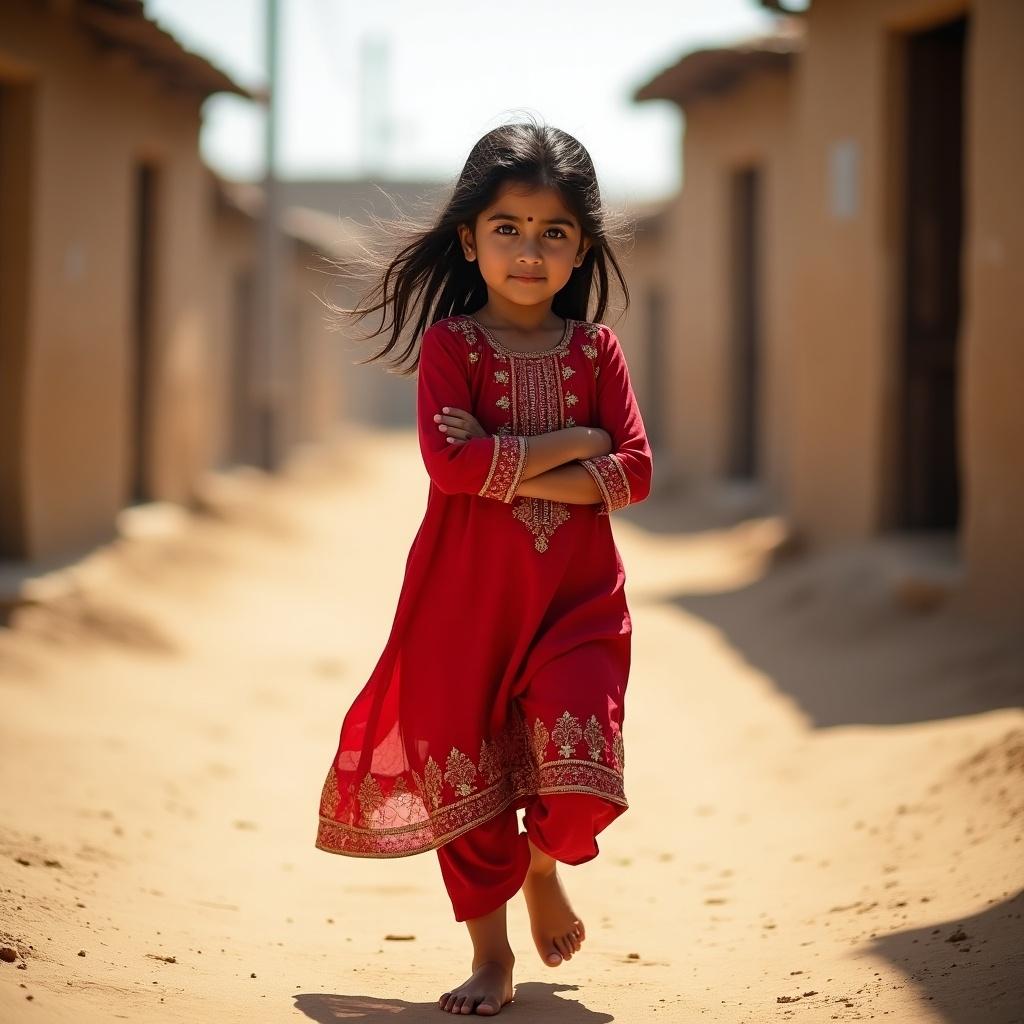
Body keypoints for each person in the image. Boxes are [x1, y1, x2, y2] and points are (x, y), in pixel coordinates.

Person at [315, 115, 653, 1016]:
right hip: (462, 599)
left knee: (578, 774)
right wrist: (576, 442)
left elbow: (637, 472)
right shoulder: (451, 350)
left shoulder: (597, 352)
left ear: (582, 250)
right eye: (508, 229)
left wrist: (519, 450)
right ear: (469, 241)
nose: (530, 251)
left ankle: (546, 864)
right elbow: (449, 468)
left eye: (553, 233)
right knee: (465, 773)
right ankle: (491, 955)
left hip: (578, 601)